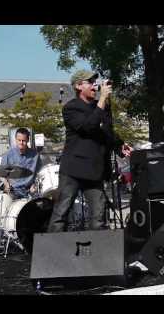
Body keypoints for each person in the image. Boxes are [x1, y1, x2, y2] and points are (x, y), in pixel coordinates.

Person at [47, 70, 133, 232]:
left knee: (99, 215)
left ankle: (96, 255)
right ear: (78, 86)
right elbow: (88, 127)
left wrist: (120, 145)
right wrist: (102, 100)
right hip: (73, 169)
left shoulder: (101, 106)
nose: (95, 85)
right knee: (61, 213)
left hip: (94, 170)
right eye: (90, 82)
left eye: (95, 82)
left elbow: (107, 131)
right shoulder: (71, 108)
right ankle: (54, 254)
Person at [0, 127, 42, 199]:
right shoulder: (8, 155)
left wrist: (34, 185)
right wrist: (6, 184)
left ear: (28, 140)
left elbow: (40, 173)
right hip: (13, 191)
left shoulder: (35, 155)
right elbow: (1, 174)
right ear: (15, 140)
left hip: (29, 191)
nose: (21, 143)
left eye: (24, 140)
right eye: (19, 140)